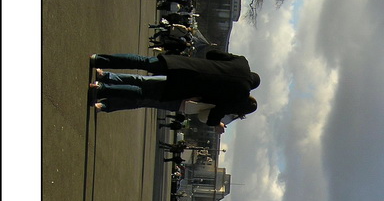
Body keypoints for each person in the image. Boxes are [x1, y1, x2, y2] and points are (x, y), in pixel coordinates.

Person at [88, 50, 260, 127]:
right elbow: (214, 115)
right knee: (142, 93)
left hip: (184, 65)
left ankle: (99, 59)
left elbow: (212, 54)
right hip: (183, 89)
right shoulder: (239, 96)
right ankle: (102, 90)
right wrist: (217, 124)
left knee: (142, 62)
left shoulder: (242, 62)